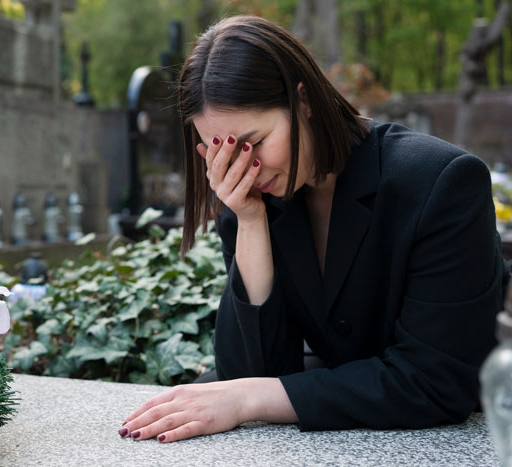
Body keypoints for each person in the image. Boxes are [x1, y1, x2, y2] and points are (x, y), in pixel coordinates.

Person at [118, 15, 510, 443]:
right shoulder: (250, 195)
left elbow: (435, 382)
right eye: (224, 153)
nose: (244, 167)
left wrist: (250, 399)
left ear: (303, 101)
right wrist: (250, 223)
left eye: (255, 141)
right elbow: (248, 372)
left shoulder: (439, 181)